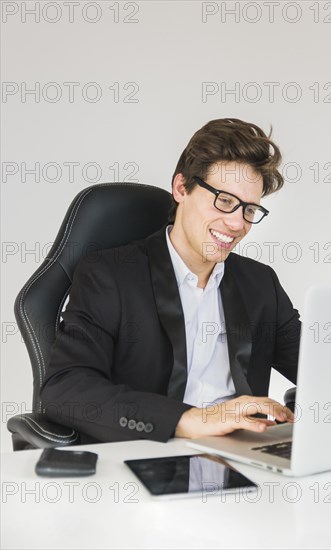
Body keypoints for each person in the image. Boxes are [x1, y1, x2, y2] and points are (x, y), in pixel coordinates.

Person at [41, 118, 300, 444]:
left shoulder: (260, 284)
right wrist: (187, 420)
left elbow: (324, 367)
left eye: (250, 209)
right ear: (181, 188)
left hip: (244, 455)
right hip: (151, 453)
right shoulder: (110, 276)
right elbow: (66, 388)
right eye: (225, 201)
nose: (236, 223)